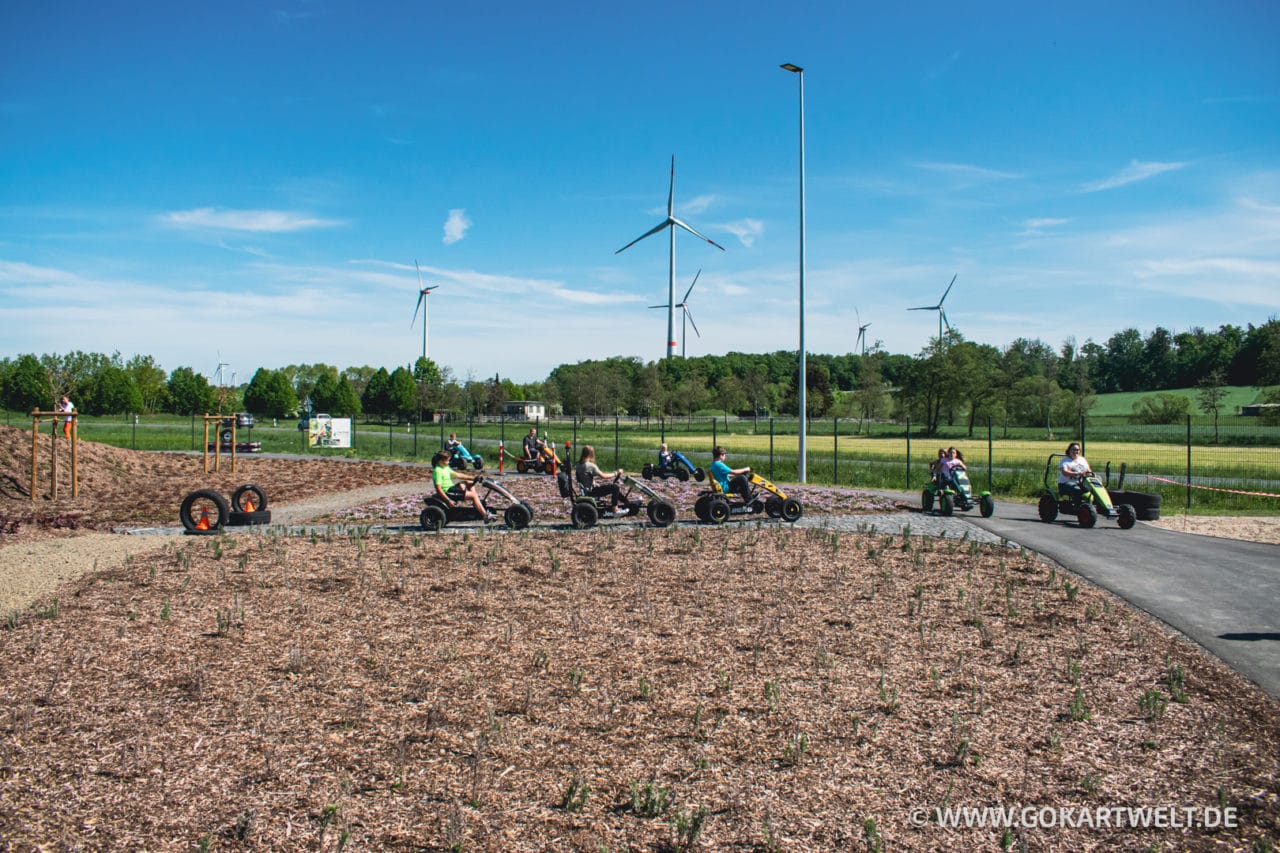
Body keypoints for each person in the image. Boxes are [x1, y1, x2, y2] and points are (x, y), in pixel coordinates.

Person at [432, 449, 492, 520]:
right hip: (448, 492)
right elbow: (438, 489)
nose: (448, 462)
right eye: (447, 461)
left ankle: (476, 504)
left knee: (469, 482)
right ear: (440, 461)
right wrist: (448, 500)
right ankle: (485, 516)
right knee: (473, 495)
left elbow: (458, 475)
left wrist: (473, 478)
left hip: (452, 488)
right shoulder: (438, 471)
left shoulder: (445, 467)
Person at [575, 445, 626, 513]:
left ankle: (627, 503)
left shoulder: (578, 465)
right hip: (592, 492)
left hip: (585, 490)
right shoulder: (590, 465)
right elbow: (604, 476)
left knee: (613, 488)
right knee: (615, 487)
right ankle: (615, 509)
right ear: (591, 454)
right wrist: (616, 473)